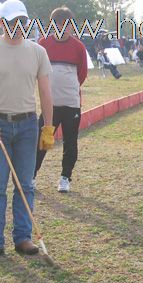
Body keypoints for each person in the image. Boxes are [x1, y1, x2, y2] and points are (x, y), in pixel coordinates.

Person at [0, 0, 54, 256]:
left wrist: (48, 126)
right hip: (0, 124)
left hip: (28, 125)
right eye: (13, 22)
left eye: (22, 22)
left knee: (25, 184)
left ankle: (22, 237)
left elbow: (45, 91)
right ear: (2, 23)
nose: (18, 27)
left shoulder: (37, 51)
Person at [33, 6, 87, 193]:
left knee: (70, 143)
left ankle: (65, 177)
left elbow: (82, 74)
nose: (64, 28)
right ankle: (32, 176)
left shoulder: (78, 47)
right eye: (59, 25)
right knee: (43, 141)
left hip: (72, 104)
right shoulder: (43, 44)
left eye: (68, 25)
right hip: (50, 106)